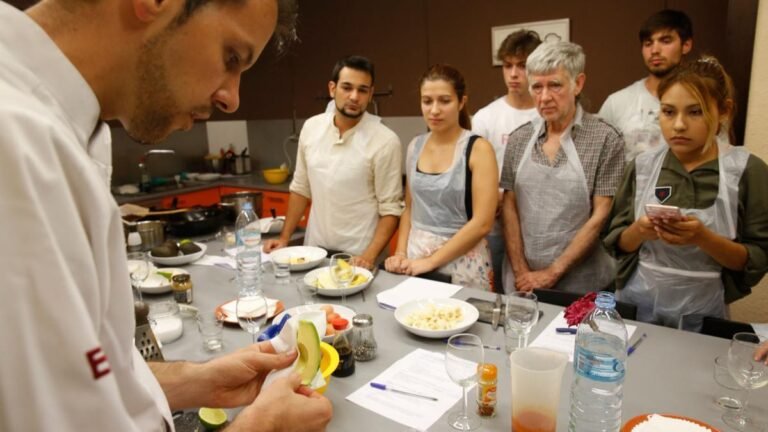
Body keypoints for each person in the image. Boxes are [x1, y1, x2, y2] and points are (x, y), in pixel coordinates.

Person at [0, 0, 332, 430]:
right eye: (231, 57)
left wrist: (199, 381)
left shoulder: (63, 130)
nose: (231, 99)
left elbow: (84, 377)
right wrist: (261, 426)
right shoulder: (17, 144)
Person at [603, 57, 768, 332]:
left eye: (695, 112)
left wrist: (703, 238)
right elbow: (617, 242)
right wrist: (641, 230)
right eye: (668, 112)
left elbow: (756, 257)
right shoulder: (642, 167)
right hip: (636, 303)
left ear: (724, 111)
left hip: (705, 311)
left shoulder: (746, 171)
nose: (678, 125)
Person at [500, 41, 624, 294]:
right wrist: (521, 270)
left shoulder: (605, 139)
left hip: (582, 283)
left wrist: (552, 272)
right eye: (537, 87)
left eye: (555, 85)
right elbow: (509, 206)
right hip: (522, 280)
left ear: (577, 84)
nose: (544, 97)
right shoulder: (518, 139)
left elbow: (601, 215)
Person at [263, 56, 403, 270]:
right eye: (347, 87)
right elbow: (301, 189)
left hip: (358, 258)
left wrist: (369, 257)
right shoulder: (311, 128)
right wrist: (284, 238)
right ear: (332, 88)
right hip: (314, 253)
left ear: (370, 94)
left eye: (362, 90)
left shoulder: (385, 141)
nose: (354, 97)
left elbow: (391, 210)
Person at [385, 65, 497, 290]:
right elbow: (410, 207)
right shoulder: (415, 145)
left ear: (461, 102)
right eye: (427, 101)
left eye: (444, 101)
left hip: (463, 261)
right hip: (415, 258)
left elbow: (482, 223)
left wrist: (431, 262)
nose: (434, 110)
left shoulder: (478, 148)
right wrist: (400, 252)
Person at [472, 29, 542, 293]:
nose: (513, 74)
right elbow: (472, 174)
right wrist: (493, 198)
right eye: (508, 65)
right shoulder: (486, 118)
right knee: (499, 291)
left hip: (539, 222)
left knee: (540, 294)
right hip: (496, 223)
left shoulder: (547, 111)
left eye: (522, 66)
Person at [599, 9, 694, 162]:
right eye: (648, 43)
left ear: (686, 45)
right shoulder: (617, 103)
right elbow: (599, 161)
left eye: (665, 41)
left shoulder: (702, 101)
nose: (655, 50)